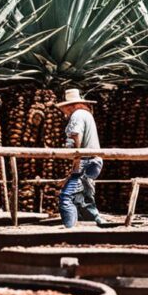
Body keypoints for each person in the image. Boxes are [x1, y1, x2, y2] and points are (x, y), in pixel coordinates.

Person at [56, 89, 107, 228]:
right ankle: (98, 222)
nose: (63, 112)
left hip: (86, 160)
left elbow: (75, 136)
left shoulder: (77, 115)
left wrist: (76, 162)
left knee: (67, 197)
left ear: (69, 106)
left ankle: (70, 229)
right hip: (93, 159)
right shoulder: (86, 114)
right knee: (83, 196)